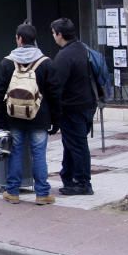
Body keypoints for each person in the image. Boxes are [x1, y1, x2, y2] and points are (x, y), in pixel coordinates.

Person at [0, 23, 59, 205]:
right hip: (40, 117)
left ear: (19, 39)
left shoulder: (7, 62)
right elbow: (54, 94)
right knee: (38, 154)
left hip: (13, 117)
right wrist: (55, 120)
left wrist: (0, 120)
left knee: (15, 152)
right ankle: (42, 194)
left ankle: (12, 191)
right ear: (34, 39)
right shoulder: (46, 63)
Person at [50, 17, 97, 195]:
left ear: (60, 34)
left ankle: (83, 182)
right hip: (86, 105)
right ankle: (68, 177)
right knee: (72, 144)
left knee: (77, 145)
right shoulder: (82, 49)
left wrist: (53, 113)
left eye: (54, 33)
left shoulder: (64, 56)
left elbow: (56, 86)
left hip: (72, 108)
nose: (53, 37)